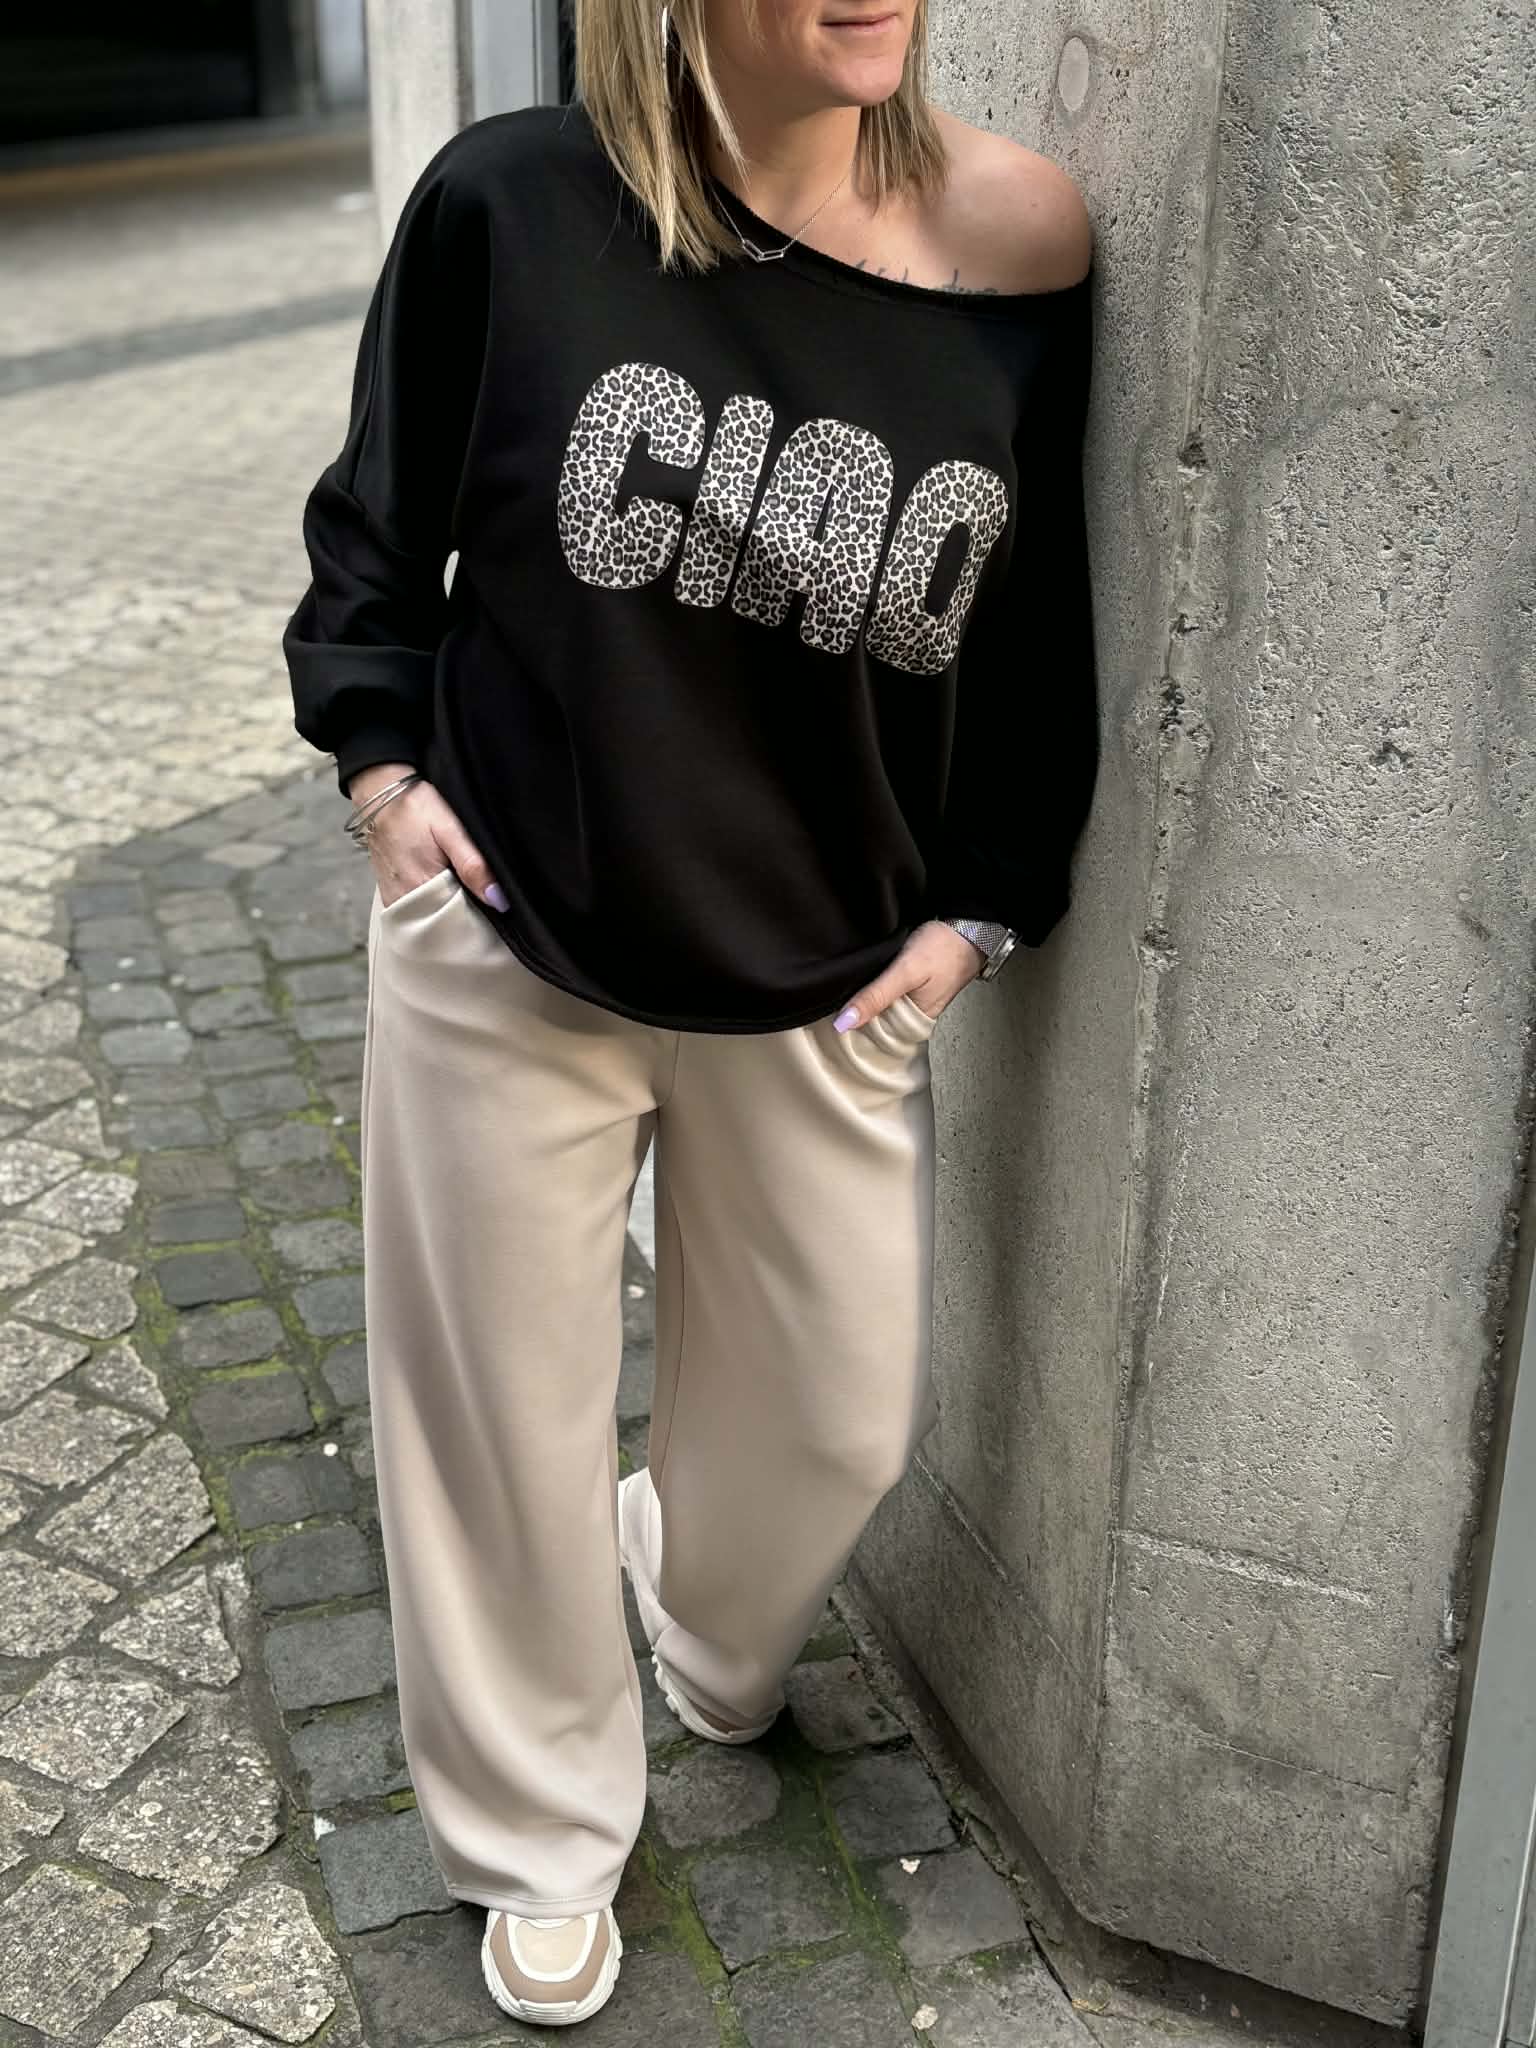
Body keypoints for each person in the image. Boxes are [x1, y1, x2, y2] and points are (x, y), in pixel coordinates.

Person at [282, 0, 1098, 2025]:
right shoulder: (514, 204)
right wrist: (383, 784)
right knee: (499, 1434)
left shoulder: (1022, 241)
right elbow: (376, 531)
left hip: (828, 972)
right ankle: (542, 1831)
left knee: (840, 1416)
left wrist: (982, 909)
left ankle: (695, 1604)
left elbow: (1030, 621)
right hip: (515, 935)